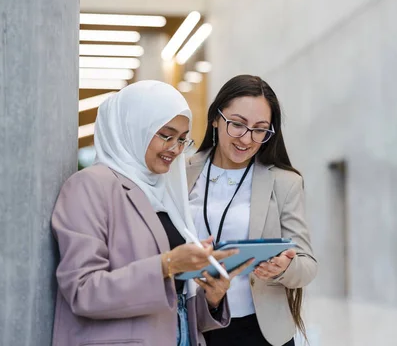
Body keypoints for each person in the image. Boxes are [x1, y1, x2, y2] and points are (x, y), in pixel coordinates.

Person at [51, 80, 251, 346]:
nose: (176, 148)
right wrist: (167, 265)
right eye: (166, 135)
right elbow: (83, 291)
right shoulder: (90, 185)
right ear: (134, 128)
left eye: (182, 139)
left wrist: (211, 298)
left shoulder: (165, 195)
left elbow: (175, 306)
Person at [186, 75, 318, 346]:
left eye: (260, 129)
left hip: (259, 331)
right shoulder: (180, 173)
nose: (247, 139)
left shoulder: (284, 182)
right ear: (215, 118)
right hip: (191, 322)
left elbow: (307, 265)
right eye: (237, 124)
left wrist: (284, 267)